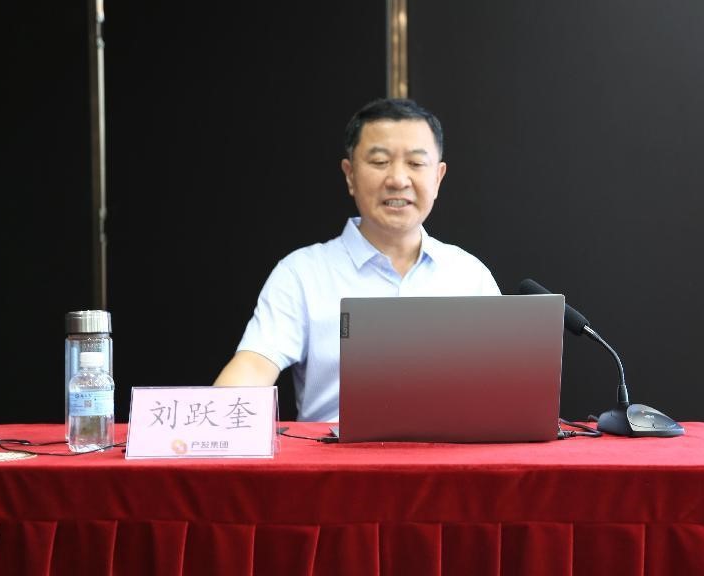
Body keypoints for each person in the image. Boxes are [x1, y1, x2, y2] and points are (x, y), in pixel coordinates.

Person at [213, 98, 500, 421]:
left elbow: (503, 387)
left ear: (438, 177)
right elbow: (254, 365)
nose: (398, 179)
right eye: (380, 162)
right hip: (334, 452)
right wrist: (209, 427)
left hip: (451, 452)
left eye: (416, 163)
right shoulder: (301, 273)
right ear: (350, 175)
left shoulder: (469, 275)